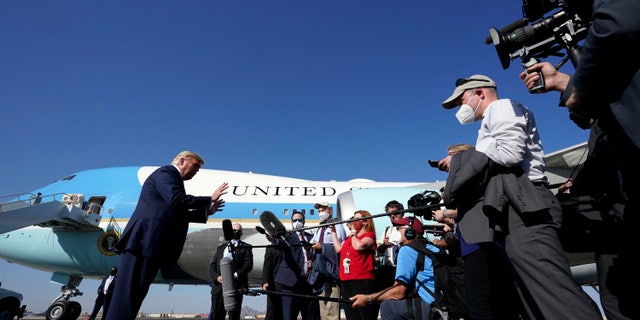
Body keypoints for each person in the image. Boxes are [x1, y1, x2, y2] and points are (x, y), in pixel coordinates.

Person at [440, 75, 602, 320]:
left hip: (526, 204)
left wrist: (465, 161)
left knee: (554, 292)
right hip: (515, 208)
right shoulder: (489, 120)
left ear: (480, 93)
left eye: (462, 101)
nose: (460, 109)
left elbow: (509, 152)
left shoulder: (501, 107)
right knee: (535, 297)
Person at [522, 53, 640, 319]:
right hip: (613, 231)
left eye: (572, 108)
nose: (570, 113)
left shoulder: (614, 123)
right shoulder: (601, 134)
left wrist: (563, 82)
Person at [106, 151, 229, 320]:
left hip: (151, 246)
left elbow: (174, 212)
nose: (196, 172)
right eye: (195, 166)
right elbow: (176, 200)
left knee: (135, 294)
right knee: (127, 295)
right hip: (142, 242)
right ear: (181, 161)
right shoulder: (166, 173)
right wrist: (209, 199)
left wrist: (206, 212)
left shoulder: (173, 180)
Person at [434, 143, 525, 320]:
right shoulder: (480, 179)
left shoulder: (471, 173)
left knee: (478, 302)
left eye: (450, 155)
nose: (444, 161)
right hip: (484, 242)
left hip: (478, 243)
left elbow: (452, 198)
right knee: (499, 301)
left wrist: (444, 212)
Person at [350, 216, 435, 320]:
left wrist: (367, 299)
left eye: (399, 228)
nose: (396, 231)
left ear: (410, 232)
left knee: (388, 306)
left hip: (429, 305)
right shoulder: (431, 246)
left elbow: (398, 292)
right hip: (441, 302)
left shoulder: (407, 250)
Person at [331, 210, 378, 320]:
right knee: (351, 313)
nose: (354, 222)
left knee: (363, 312)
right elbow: (339, 249)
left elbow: (358, 247)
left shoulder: (369, 236)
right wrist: (333, 232)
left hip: (361, 279)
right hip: (346, 278)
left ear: (365, 222)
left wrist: (353, 233)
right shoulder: (350, 238)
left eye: (357, 219)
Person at [274, 211, 320, 320]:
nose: (297, 222)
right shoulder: (287, 237)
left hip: (308, 282)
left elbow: (317, 255)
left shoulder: (311, 237)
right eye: (295, 220)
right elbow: (278, 242)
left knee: (311, 315)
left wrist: (312, 262)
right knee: (289, 314)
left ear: (304, 222)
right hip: (291, 283)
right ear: (291, 222)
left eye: (300, 220)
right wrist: (272, 239)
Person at [308, 202, 346, 320]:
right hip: (320, 273)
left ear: (330, 211)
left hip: (331, 272)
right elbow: (314, 242)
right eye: (319, 211)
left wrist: (322, 247)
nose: (321, 213)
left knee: (332, 310)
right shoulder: (320, 228)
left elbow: (340, 247)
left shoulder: (337, 226)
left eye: (323, 210)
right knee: (323, 310)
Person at [209, 223, 253, 320]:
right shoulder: (221, 248)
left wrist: (235, 275)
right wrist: (217, 277)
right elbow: (212, 265)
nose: (236, 232)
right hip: (219, 287)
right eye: (234, 230)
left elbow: (248, 265)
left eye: (238, 231)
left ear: (241, 233)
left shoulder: (246, 247)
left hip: (235, 286)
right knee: (217, 315)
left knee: (234, 316)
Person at [375, 200, 405, 290]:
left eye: (395, 213)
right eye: (389, 214)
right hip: (389, 269)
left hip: (404, 268)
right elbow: (378, 249)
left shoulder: (409, 229)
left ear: (402, 213)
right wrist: (384, 245)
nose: (392, 216)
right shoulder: (387, 230)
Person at [262, 232, 283, 320]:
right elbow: (267, 266)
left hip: (287, 284)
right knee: (272, 311)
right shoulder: (271, 249)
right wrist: (265, 282)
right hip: (274, 284)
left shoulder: (287, 248)